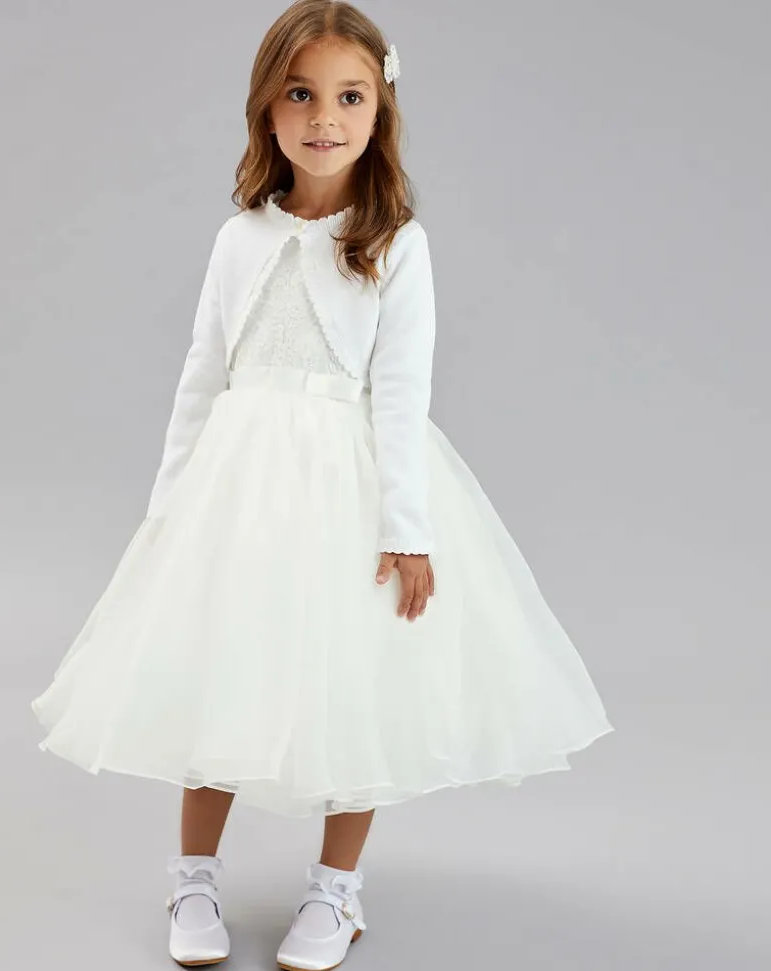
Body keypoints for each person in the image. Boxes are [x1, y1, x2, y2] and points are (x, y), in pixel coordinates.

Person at [30, 2, 615, 968]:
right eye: (300, 95)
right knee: (221, 666)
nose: (324, 118)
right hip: (239, 490)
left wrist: (407, 527)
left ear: (381, 113)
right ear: (266, 108)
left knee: (352, 679)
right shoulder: (238, 239)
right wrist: (167, 512)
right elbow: (201, 377)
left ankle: (336, 887)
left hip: (346, 486)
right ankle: (193, 877)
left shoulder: (396, 242)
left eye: (350, 97)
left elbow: (403, 394)